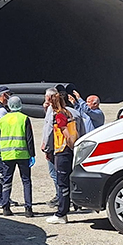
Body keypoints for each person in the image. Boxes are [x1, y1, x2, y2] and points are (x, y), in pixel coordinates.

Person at [0, 96, 35, 216]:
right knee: (26, 181)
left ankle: (6, 207)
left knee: (7, 180)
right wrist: (32, 154)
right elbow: (29, 138)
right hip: (23, 154)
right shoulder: (24, 118)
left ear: (9, 106)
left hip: (7, 155)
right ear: (20, 105)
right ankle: (28, 209)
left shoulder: (3, 120)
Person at [42, 90, 80, 225]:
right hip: (68, 151)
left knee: (62, 182)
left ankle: (61, 213)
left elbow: (66, 134)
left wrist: (70, 146)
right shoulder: (69, 113)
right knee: (67, 181)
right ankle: (71, 206)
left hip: (62, 151)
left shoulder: (59, 116)